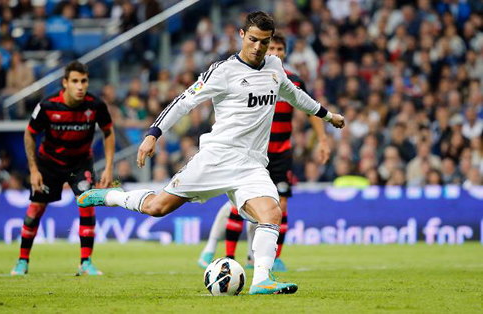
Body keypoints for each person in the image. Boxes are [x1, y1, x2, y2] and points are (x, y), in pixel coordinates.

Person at [78, 11, 344, 295]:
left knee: (271, 212)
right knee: (157, 208)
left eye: (264, 42)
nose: (258, 47)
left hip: (252, 165)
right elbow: (183, 102)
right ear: (241, 35)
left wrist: (328, 116)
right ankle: (109, 196)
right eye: (253, 39)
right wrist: (153, 134)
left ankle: (262, 279)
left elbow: (295, 95)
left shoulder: (275, 67)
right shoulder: (223, 71)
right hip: (216, 158)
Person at [197, 33, 332, 272]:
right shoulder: (247, 77)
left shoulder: (292, 80)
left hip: (280, 153)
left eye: (280, 49)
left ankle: (270, 258)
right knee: (240, 205)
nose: (276, 53)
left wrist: (322, 139)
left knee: (279, 205)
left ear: (285, 52)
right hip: (251, 153)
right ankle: (229, 256)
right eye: (273, 49)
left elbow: (311, 109)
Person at [11, 61, 115, 276]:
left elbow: (108, 132)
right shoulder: (48, 105)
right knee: (36, 209)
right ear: (65, 83)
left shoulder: (95, 105)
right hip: (49, 164)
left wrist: (108, 168)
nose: (80, 86)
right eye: (75, 81)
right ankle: (22, 261)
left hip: (80, 164)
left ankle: (85, 263)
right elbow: (29, 133)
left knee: (87, 204)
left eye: (84, 81)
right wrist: (33, 170)